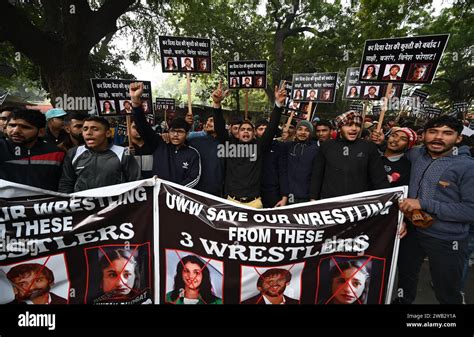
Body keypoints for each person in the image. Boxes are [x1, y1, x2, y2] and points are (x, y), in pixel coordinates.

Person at [396, 116, 474, 304]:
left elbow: (470, 210)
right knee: (404, 282)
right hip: (412, 230)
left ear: (458, 139)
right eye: (433, 132)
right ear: (423, 135)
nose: (438, 137)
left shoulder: (468, 167)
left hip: (447, 239)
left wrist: (424, 204)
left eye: (447, 133)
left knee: (447, 292)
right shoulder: (415, 154)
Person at [213, 81, 286, 208]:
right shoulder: (230, 146)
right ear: (237, 133)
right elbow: (219, 128)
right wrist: (217, 104)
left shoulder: (259, 146)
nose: (246, 131)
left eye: (249, 129)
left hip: (255, 203)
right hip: (232, 201)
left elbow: (272, 127)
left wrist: (278, 105)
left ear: (254, 133)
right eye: (242, 129)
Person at [131, 82, 201, 187]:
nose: (176, 134)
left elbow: (194, 178)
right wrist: (136, 102)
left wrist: (174, 192)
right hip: (156, 196)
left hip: (178, 199)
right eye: (173, 131)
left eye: (180, 132)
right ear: (168, 131)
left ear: (187, 134)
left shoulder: (193, 153)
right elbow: (142, 126)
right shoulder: (158, 143)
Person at [310, 110, 389, 200]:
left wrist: (386, 199)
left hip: (358, 203)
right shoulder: (326, 146)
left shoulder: (368, 147)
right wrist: (313, 198)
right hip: (330, 203)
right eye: (349, 125)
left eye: (357, 125)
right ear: (339, 128)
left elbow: (378, 177)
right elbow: (317, 175)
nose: (354, 128)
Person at [58, 116, 141, 193]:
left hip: (115, 207)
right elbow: (66, 184)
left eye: (95, 129)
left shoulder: (123, 153)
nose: (88, 133)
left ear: (108, 133)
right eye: (85, 129)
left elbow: (136, 184)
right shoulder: (74, 153)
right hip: (83, 206)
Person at [0, 109, 65, 191]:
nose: (16, 131)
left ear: (41, 132)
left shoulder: (56, 153)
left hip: (46, 202)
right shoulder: (2, 147)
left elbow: (65, 184)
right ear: (5, 128)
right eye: (12, 125)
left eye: (25, 127)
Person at [255, 118, 289, 208]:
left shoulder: (279, 147)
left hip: (273, 193)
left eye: (266, 129)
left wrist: (284, 197)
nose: (264, 132)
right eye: (260, 129)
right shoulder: (250, 146)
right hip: (254, 193)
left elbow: (283, 171)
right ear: (255, 132)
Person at [286, 120, 319, 204]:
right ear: (296, 131)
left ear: (311, 133)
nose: (303, 132)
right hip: (286, 196)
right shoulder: (288, 146)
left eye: (307, 130)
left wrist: (313, 197)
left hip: (305, 198)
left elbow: (316, 175)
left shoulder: (316, 149)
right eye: (300, 129)